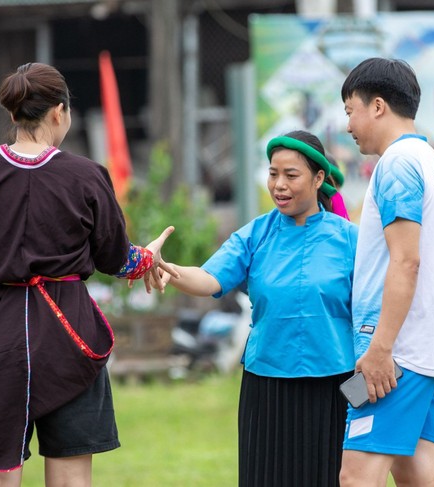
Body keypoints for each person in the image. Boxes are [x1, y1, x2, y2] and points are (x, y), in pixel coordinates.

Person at [0, 62, 176, 487]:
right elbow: (113, 258)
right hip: (69, 333)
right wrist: (146, 260)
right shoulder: (86, 176)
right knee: (70, 475)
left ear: (13, 114)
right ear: (60, 111)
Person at [149, 130, 358, 487]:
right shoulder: (256, 234)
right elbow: (209, 278)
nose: (279, 184)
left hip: (335, 386)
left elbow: (373, 312)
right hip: (267, 385)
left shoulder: (349, 239)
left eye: (291, 175)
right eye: (273, 173)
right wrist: (164, 267)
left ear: (319, 177)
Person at [338, 57, 434, 487]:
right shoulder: (432, 163)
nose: (347, 124)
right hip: (430, 353)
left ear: (377, 106)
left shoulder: (398, 163)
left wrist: (380, 348)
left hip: (398, 355)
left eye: (350, 110)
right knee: (419, 478)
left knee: (355, 477)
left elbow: (406, 261)